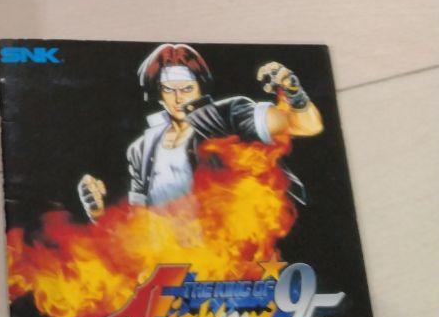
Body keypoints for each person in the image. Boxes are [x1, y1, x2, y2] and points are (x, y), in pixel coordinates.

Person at [77, 43, 322, 220]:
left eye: (186, 88)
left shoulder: (226, 116)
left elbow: (307, 126)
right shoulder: (142, 149)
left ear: (199, 87)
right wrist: (98, 212)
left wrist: (294, 93)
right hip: (167, 258)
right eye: (169, 89)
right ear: (157, 92)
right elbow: (137, 222)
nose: (178, 98)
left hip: (225, 254)